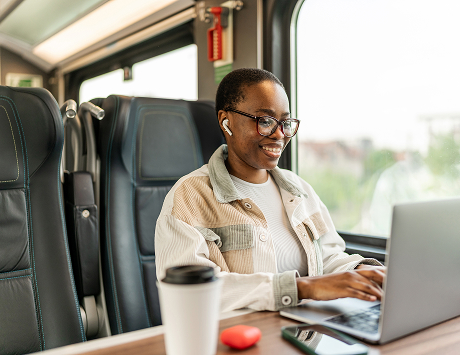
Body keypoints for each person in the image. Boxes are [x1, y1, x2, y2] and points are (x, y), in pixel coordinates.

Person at [155, 68, 384, 312]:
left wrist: (363, 272)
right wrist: (302, 288)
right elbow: (189, 293)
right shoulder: (188, 197)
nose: (279, 134)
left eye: (285, 123)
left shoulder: (299, 190)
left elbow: (327, 258)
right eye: (264, 121)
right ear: (226, 121)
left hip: (304, 332)